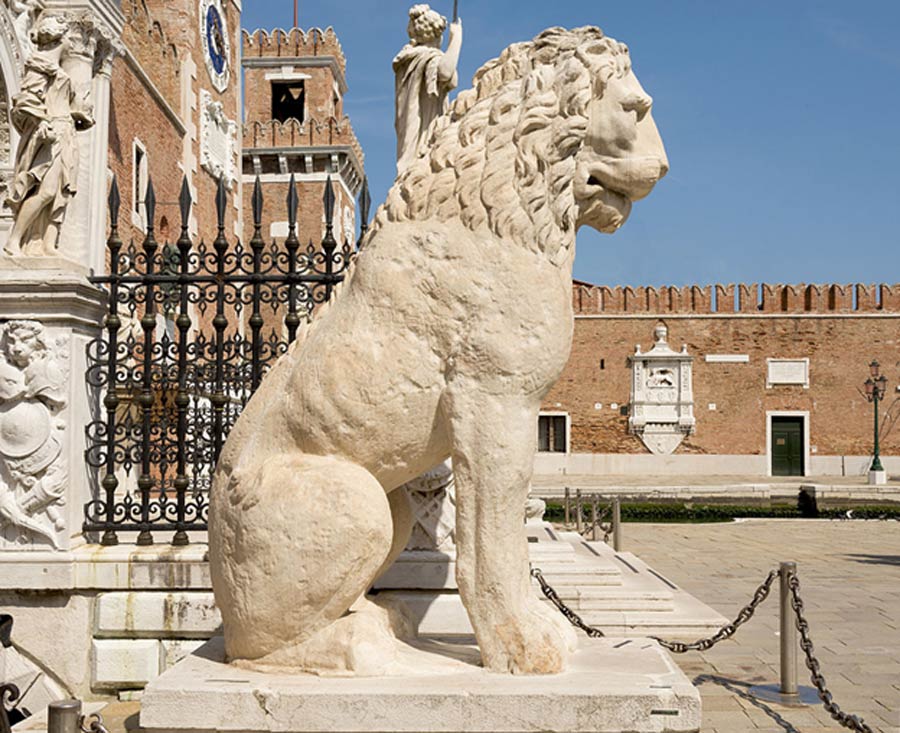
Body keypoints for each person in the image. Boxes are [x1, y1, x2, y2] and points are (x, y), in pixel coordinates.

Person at [393, 4, 462, 176]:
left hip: (412, 125)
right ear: (435, 35)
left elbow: (451, 78)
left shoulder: (410, 57)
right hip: (422, 128)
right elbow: (445, 72)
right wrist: (456, 39)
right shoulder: (425, 56)